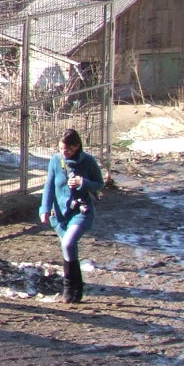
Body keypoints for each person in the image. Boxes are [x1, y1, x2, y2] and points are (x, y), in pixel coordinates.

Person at [40, 127, 105, 304]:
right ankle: (75, 291)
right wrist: (44, 209)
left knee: (68, 243)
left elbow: (99, 184)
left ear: (77, 146)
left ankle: (69, 286)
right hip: (60, 213)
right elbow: (49, 186)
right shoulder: (55, 160)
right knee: (68, 248)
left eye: (68, 149)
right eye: (61, 148)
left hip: (81, 211)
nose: (64, 152)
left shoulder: (88, 161)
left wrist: (83, 182)